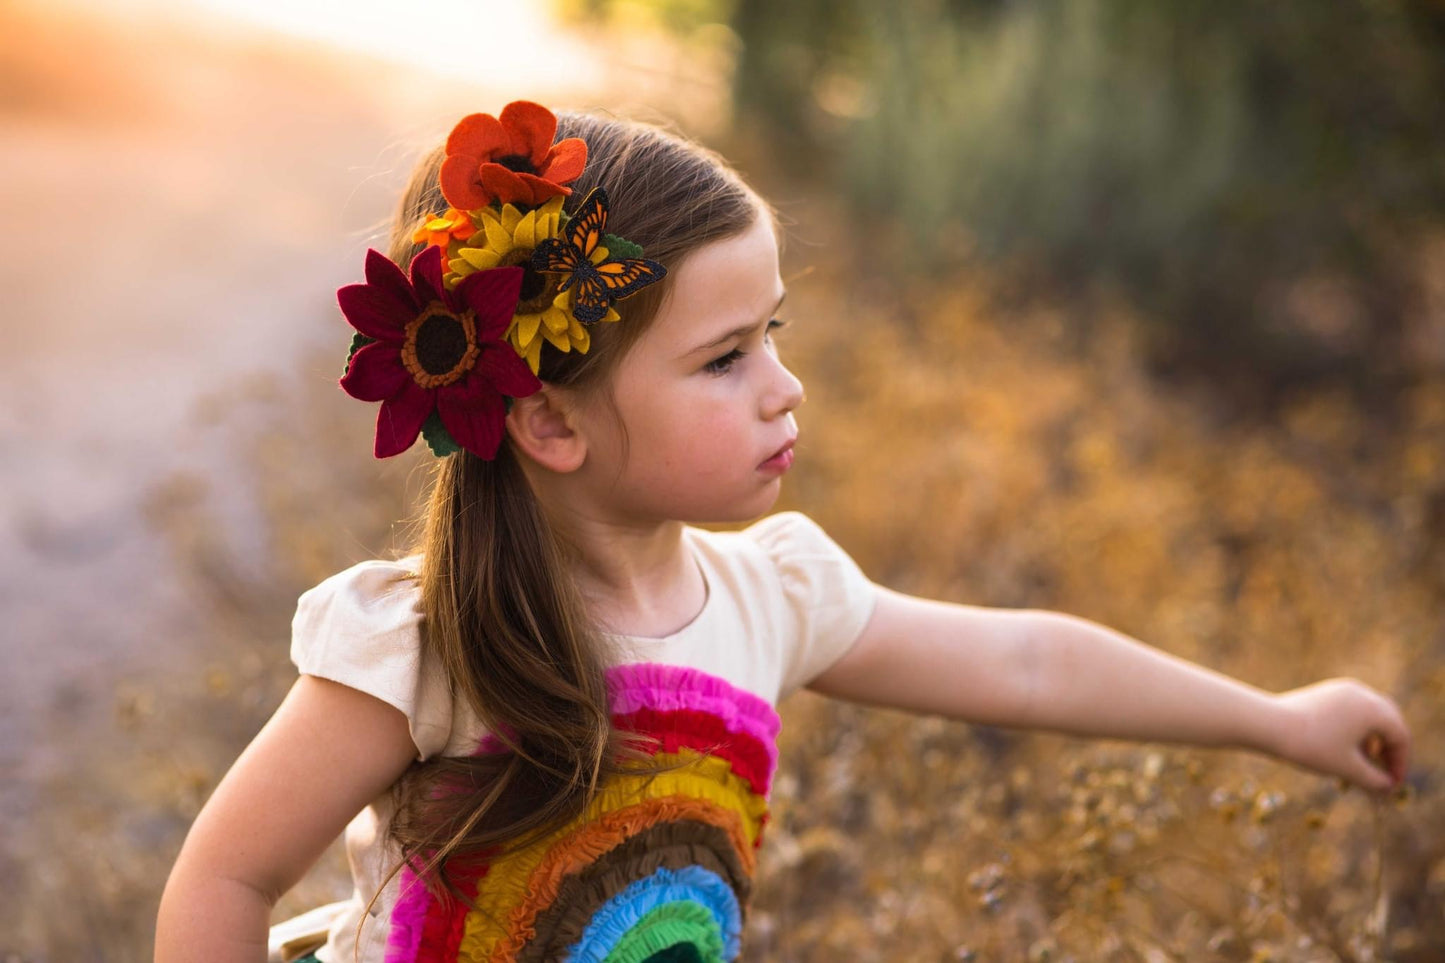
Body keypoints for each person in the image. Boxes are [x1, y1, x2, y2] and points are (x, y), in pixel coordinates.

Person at [154, 101, 1413, 963]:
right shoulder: (429, 646)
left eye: (775, 335)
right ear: (546, 418)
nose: (782, 386)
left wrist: (1274, 715)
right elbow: (222, 879)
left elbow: (1026, 663)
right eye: (721, 358)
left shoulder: (773, 597)